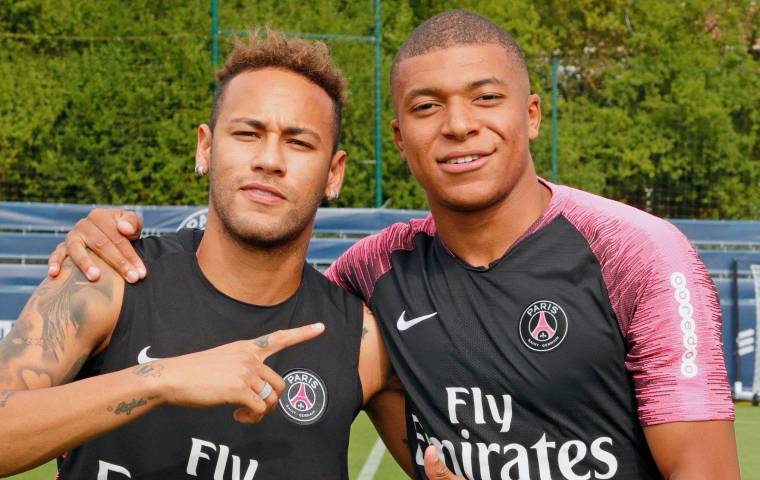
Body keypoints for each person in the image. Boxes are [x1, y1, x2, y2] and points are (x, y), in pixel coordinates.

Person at [49, 10, 740, 480]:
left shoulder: (638, 253)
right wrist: (106, 243)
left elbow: (701, 467)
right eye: (426, 106)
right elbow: (249, 273)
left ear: (532, 114)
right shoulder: (371, 274)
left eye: (486, 98)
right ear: (401, 138)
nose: (459, 125)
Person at [0, 31, 410, 479]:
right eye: (247, 133)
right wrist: (162, 379)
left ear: (334, 173)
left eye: (299, 142)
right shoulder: (107, 278)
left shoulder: (363, 343)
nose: (269, 159)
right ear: (206, 147)